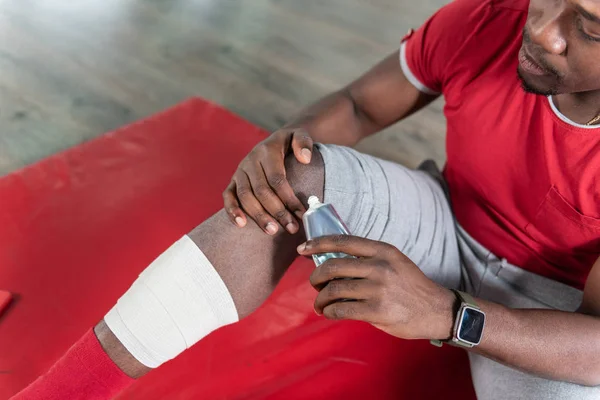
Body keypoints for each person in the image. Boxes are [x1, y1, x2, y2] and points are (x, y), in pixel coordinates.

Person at [13, 0, 600, 398]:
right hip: (449, 216)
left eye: (589, 27)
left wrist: (448, 315)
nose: (544, 29)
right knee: (293, 178)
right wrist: (282, 144)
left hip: (561, 308)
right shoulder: (487, 20)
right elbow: (359, 105)